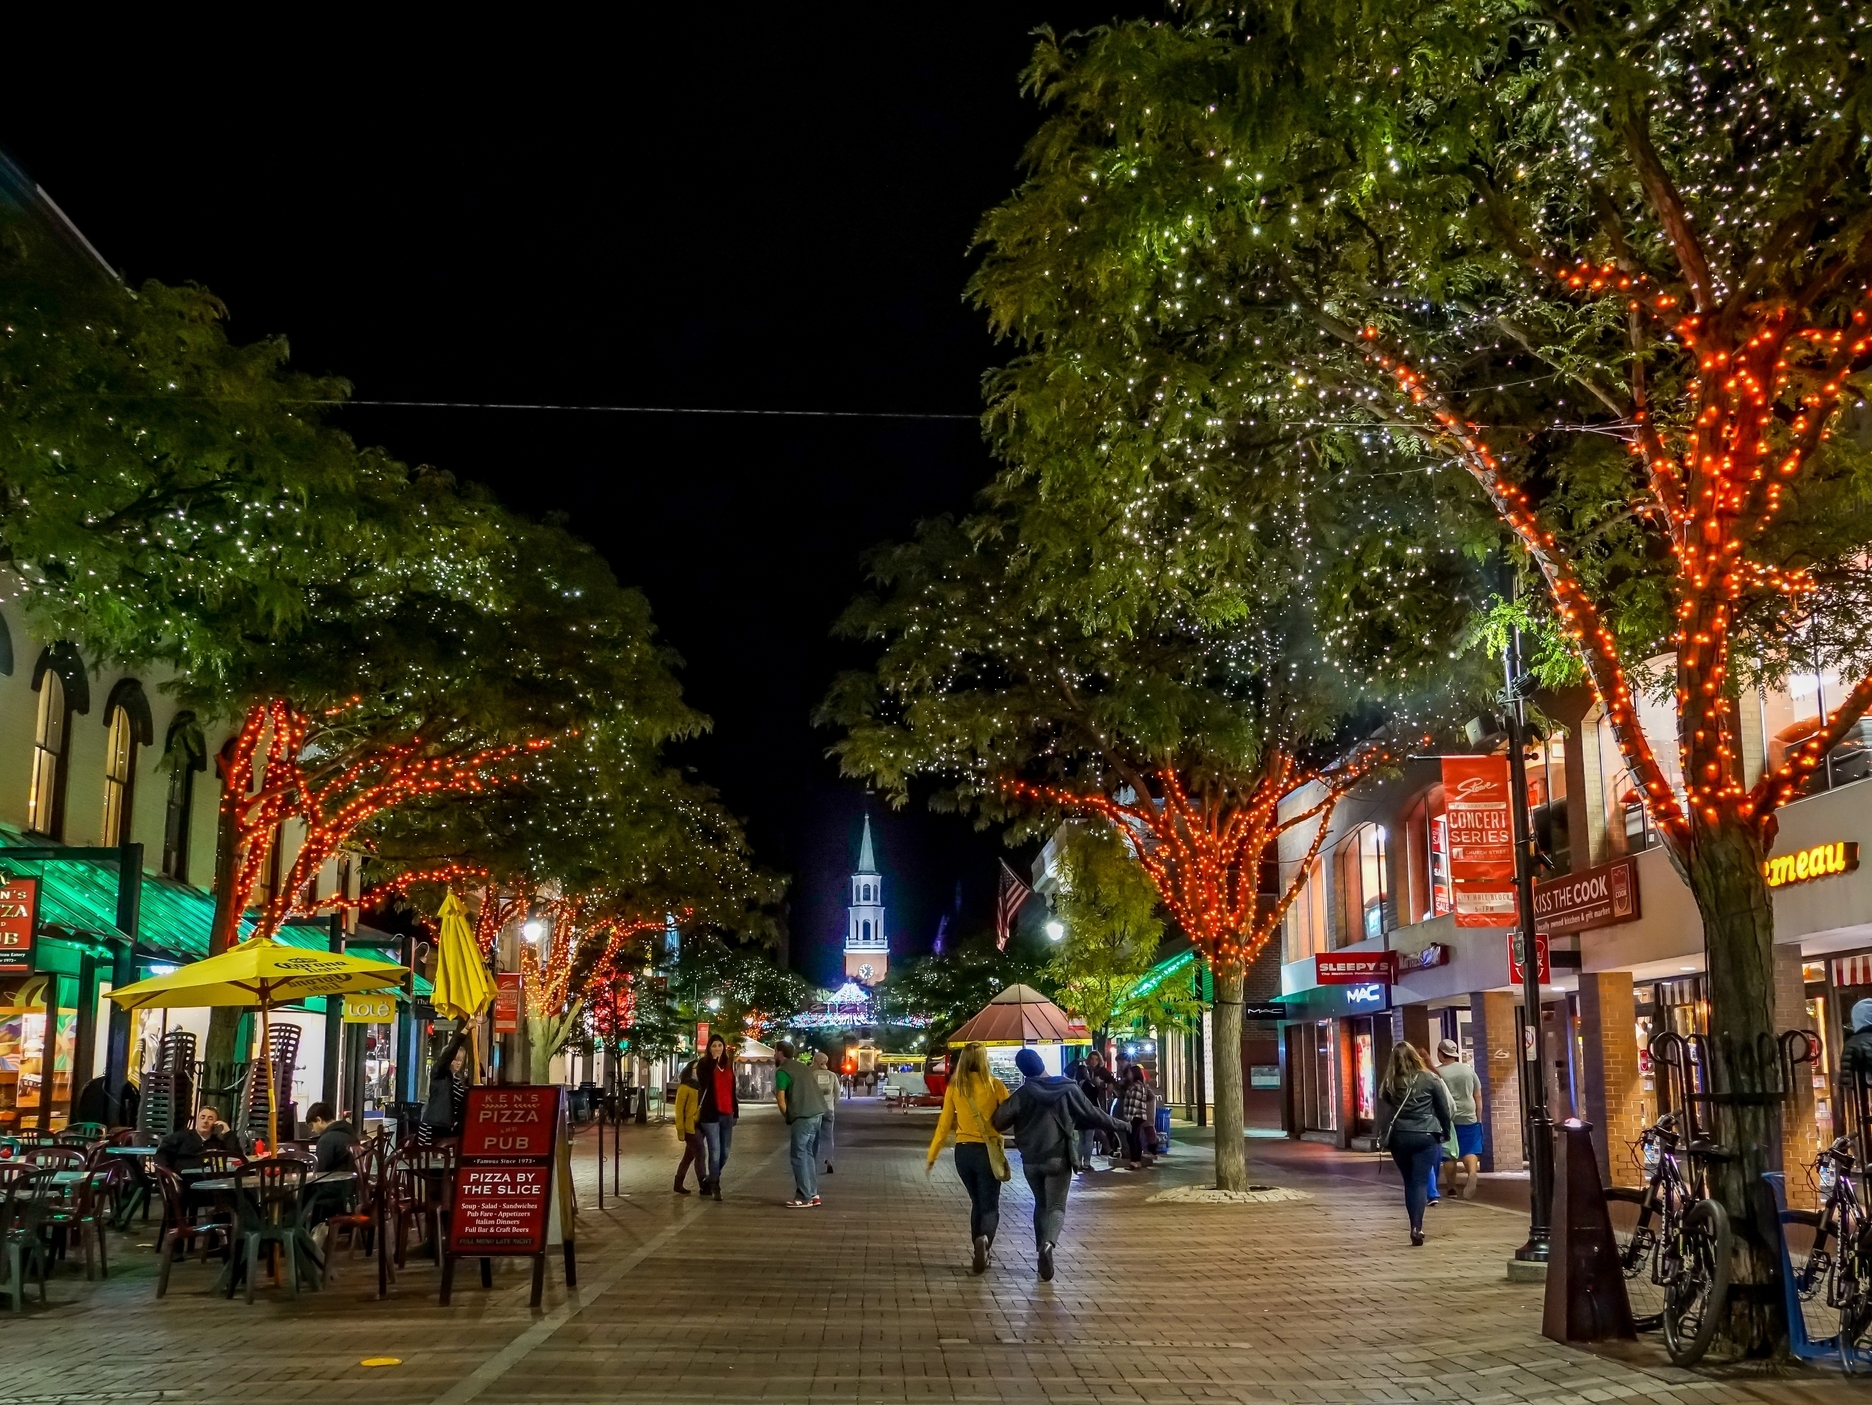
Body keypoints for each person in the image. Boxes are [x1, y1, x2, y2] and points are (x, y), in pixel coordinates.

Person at [991, 1048, 1126, 1281]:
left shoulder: (1022, 1094)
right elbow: (1093, 1114)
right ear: (1042, 1062)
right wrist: (1122, 1125)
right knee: (1056, 1207)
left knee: (1040, 1205)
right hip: (1058, 1157)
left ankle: (1040, 1249)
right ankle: (1048, 1245)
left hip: (1031, 1160)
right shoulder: (1067, 1088)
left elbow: (998, 1121)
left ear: (1022, 1071)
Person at [927, 1043, 1011, 1273]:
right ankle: (984, 1241)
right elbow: (1011, 1114)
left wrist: (932, 1155)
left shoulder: (955, 1088)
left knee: (976, 1202)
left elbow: (944, 1124)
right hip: (987, 1152)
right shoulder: (995, 1086)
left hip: (963, 1152)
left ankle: (977, 1247)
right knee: (990, 1205)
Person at [1378, 1041, 1454, 1246]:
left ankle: (1413, 1224)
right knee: (1420, 1182)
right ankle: (1416, 1227)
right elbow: (1443, 1109)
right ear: (1415, 1057)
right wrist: (1445, 1132)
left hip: (1399, 1137)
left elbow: (1385, 1109)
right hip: (1426, 1136)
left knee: (1410, 1182)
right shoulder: (1430, 1079)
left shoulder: (1390, 1082)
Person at [773, 1040, 830, 1207]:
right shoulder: (803, 1067)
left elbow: (781, 1098)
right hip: (817, 1114)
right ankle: (813, 1193)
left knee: (798, 1155)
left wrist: (787, 1116)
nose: (774, 1054)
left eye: (775, 1051)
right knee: (808, 1154)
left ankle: (804, 1196)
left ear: (780, 1053)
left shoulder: (783, 1071)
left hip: (803, 1116)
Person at [1434, 1038, 1484, 1199]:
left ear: (1441, 1053)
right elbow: (1478, 1095)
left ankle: (1451, 1188)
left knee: (1449, 1153)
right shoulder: (1468, 1070)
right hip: (1468, 1114)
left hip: (1447, 1116)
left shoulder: (1437, 1073)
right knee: (1469, 1149)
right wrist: (1479, 1117)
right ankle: (1472, 1173)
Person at [694, 1033, 738, 1200]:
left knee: (725, 1152)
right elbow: (704, 1082)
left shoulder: (728, 1064)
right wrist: (713, 1061)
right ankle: (716, 1185)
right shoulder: (703, 1064)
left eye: (720, 1045)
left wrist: (736, 1111)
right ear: (709, 1048)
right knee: (715, 1150)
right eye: (714, 1046)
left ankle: (710, 1179)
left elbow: (732, 1090)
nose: (717, 1049)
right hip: (710, 1114)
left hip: (727, 1113)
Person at [419, 1029, 472, 1145]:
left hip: (449, 1127)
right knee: (429, 1158)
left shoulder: (458, 1080)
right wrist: (464, 1031)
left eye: (461, 1060)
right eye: (455, 1059)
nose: (458, 1063)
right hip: (433, 1125)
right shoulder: (440, 1073)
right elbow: (449, 1053)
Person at [155, 1104, 244, 1171]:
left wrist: (228, 1133)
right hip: (186, 1183)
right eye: (202, 1117)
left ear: (216, 1123)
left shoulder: (217, 1142)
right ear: (197, 1120)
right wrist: (169, 1174)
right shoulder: (182, 1137)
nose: (205, 1121)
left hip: (212, 1183)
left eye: (210, 1118)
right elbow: (161, 1155)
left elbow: (237, 1158)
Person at [1071, 1051, 1116, 1170]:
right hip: (1090, 1112)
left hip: (1079, 1113)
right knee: (1088, 1139)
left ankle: (1079, 1162)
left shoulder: (1076, 1084)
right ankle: (1086, 1163)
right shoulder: (1088, 1084)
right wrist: (1097, 1085)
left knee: (1081, 1140)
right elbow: (1094, 1095)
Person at [672, 1059, 705, 1195]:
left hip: (701, 1126)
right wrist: (680, 1130)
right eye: (696, 1069)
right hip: (690, 1127)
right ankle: (703, 1184)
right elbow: (679, 1111)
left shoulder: (702, 1086)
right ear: (690, 1070)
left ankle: (678, 1182)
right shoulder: (684, 1088)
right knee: (701, 1154)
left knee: (688, 1156)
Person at [1118, 1065, 1157, 1169]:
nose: (1128, 1075)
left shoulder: (1135, 1086)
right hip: (1139, 1115)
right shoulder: (1140, 1085)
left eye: (1130, 1073)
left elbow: (1133, 1103)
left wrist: (1129, 1118)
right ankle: (1137, 1161)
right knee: (1136, 1138)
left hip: (1135, 1115)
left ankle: (1134, 1161)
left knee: (1131, 1138)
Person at [305, 1102, 357, 1172]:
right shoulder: (351, 1134)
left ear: (319, 1120)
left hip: (334, 1181)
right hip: (354, 1180)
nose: (312, 1130)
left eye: (312, 1125)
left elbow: (320, 1171)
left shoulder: (326, 1140)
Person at [810, 1050, 839, 1174]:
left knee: (814, 1136)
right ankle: (829, 1160)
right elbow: (837, 1092)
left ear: (816, 1061)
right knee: (828, 1137)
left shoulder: (811, 1075)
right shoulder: (832, 1075)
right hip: (829, 1109)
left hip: (814, 1109)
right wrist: (832, 1104)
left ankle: (812, 1162)